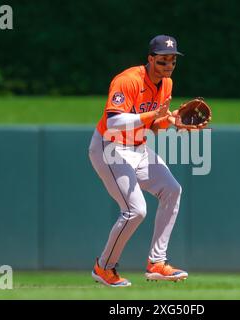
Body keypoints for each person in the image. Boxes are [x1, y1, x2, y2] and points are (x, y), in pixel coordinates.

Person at [88, 35, 187, 287]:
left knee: (172, 190)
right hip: (109, 146)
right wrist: (153, 114)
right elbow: (113, 122)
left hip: (138, 147)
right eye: (163, 60)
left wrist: (173, 120)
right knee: (135, 210)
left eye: (172, 60)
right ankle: (104, 267)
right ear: (150, 59)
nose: (168, 65)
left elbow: (153, 125)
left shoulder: (166, 84)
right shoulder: (128, 81)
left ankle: (157, 263)